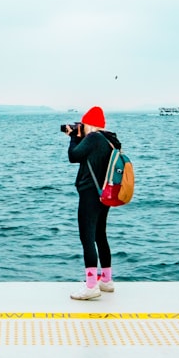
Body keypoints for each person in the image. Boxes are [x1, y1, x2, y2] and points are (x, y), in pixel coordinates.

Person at [63, 106, 122, 300]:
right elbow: (90, 159)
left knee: (86, 237)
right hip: (103, 194)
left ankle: (91, 286)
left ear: (88, 124)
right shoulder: (110, 140)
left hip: (89, 194)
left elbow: (73, 156)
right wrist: (81, 138)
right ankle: (106, 280)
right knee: (100, 235)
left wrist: (73, 137)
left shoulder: (93, 138)